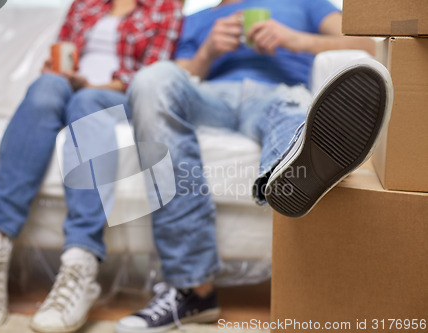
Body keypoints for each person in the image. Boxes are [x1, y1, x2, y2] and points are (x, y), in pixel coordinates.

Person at [116, 0, 392, 332]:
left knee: (290, 109)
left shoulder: (304, 3)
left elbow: (368, 44)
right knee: (150, 79)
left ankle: (292, 164)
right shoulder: (196, 19)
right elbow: (174, 77)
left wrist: (295, 40)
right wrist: (207, 52)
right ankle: (193, 287)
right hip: (209, 98)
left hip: (275, 94)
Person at [0, 0, 183, 332]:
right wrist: (58, 73)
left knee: (86, 103)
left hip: (115, 95)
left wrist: (92, 87)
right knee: (45, 88)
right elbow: (61, 52)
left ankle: (81, 261)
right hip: (70, 87)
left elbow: (151, 76)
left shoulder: (164, 9)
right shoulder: (84, 5)